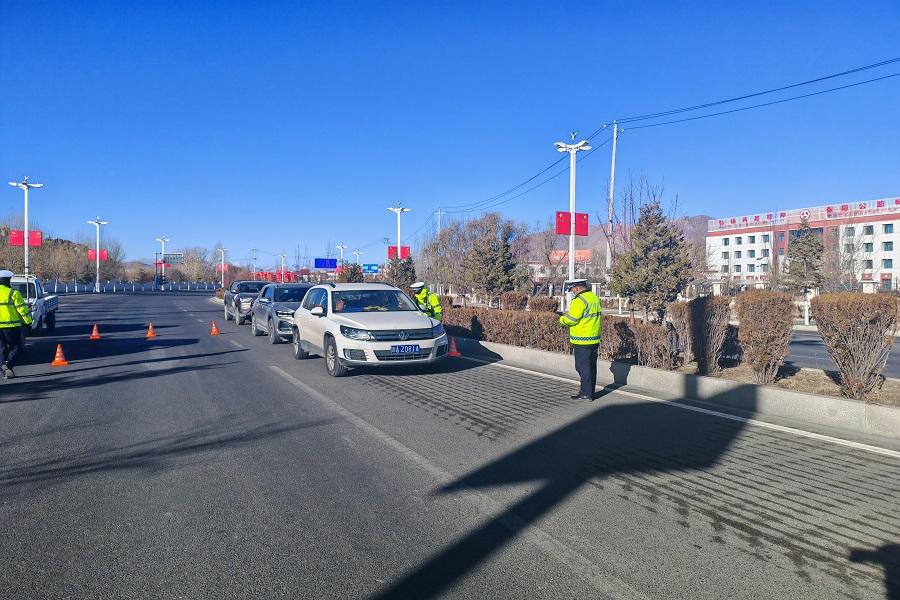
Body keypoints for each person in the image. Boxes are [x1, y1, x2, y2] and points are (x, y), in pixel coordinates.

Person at [558, 279, 602, 400]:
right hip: (594, 338)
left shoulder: (579, 300)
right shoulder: (594, 297)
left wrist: (562, 319)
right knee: (591, 367)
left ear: (577, 288)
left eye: (572, 290)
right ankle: (590, 392)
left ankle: (586, 393)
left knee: (582, 367)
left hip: (582, 339)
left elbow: (571, 320)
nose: (572, 292)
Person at [0, 270, 33, 379]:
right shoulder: (13, 293)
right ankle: (8, 365)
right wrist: (28, 322)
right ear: (7, 281)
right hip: (12, 326)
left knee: (1, 348)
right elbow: (22, 310)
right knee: (16, 347)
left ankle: (3, 367)